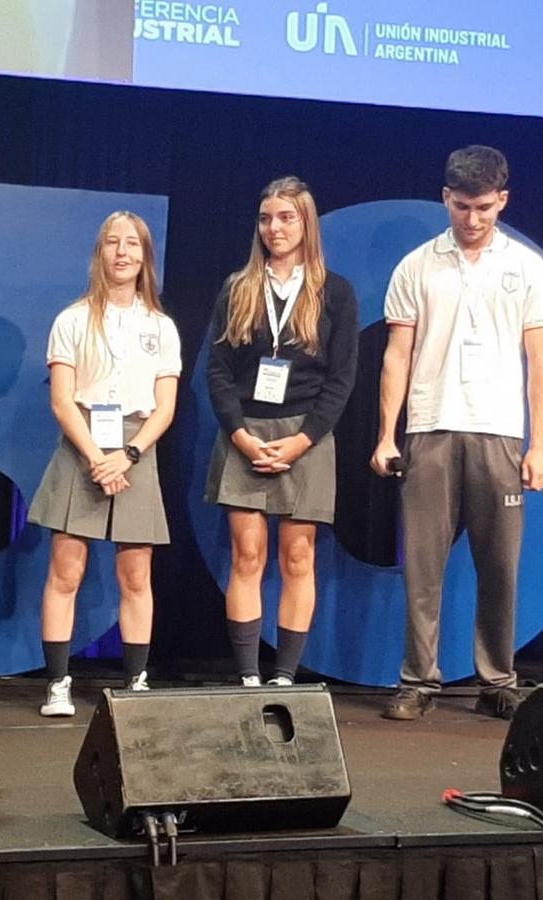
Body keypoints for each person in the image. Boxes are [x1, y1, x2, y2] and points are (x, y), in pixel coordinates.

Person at [371, 145, 543, 721]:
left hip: (499, 432)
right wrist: (386, 435)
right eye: (460, 206)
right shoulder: (416, 265)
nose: (471, 219)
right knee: (424, 565)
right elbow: (396, 356)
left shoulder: (526, 267)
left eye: (482, 207)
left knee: (500, 564)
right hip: (430, 428)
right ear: (445, 198)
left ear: (501, 200)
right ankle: (418, 681)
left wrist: (540, 444)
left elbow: (540, 361)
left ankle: (497, 679)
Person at [206, 176, 358, 686]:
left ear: (306, 223)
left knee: (298, 554)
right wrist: (241, 436)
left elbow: (341, 379)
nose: (275, 227)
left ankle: (285, 675)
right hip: (246, 433)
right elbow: (218, 372)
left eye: (287, 217)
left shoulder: (334, 291)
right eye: (267, 218)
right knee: (248, 554)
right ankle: (249, 674)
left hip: (306, 437)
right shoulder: (239, 287)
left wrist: (302, 440)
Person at [28, 211, 181, 716]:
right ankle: (57, 684)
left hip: (137, 449)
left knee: (136, 575)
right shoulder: (71, 319)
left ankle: (136, 682)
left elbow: (165, 407)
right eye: (113, 242)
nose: (122, 252)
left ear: (144, 256)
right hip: (83, 448)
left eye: (132, 244)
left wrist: (129, 455)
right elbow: (61, 401)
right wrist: (97, 457)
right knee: (65, 570)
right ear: (100, 253)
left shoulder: (161, 327)